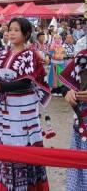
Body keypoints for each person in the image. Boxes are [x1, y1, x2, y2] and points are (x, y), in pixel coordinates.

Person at [0, 17, 50, 191]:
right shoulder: (4, 53)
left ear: (26, 34)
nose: (12, 33)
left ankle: (21, 186)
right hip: (2, 106)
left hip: (22, 110)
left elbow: (25, 82)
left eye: (17, 30)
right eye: (10, 29)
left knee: (19, 146)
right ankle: (1, 184)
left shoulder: (30, 55)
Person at [60, 48, 87, 191]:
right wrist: (68, 92)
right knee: (79, 173)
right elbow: (64, 86)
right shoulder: (83, 54)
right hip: (82, 125)